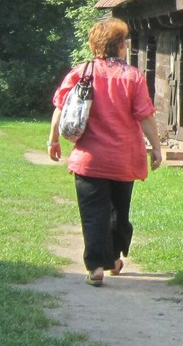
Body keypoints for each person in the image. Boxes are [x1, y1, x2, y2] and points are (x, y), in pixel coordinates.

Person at [48, 18, 164, 286]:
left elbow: (60, 107)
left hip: (88, 159)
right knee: (118, 214)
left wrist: (53, 139)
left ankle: (98, 266)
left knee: (93, 214)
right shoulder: (132, 77)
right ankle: (110, 260)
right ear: (121, 46)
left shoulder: (80, 73)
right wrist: (156, 147)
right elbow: (145, 116)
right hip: (124, 159)